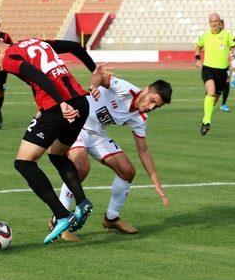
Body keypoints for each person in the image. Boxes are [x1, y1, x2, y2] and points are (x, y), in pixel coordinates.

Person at [0, 37, 102, 244]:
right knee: (57, 154)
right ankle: (81, 201)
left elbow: (34, 73)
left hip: (58, 106)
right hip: (81, 102)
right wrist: (94, 69)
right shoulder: (34, 42)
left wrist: (61, 103)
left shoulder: (9, 57)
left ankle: (62, 214)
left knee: (24, 163)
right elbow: (74, 46)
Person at [55, 73, 172, 241]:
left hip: (97, 134)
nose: (151, 107)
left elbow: (143, 151)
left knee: (127, 171)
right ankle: (60, 219)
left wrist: (156, 184)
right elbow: (100, 76)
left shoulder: (140, 117)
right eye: (152, 100)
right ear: (146, 90)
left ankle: (111, 218)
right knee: (81, 168)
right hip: (76, 124)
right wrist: (93, 86)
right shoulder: (125, 89)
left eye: (156, 106)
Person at [194, 13, 235, 135]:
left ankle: (204, 119)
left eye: (216, 21)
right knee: (211, 92)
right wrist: (197, 59)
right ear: (209, 22)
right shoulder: (205, 36)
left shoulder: (227, 35)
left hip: (222, 72)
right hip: (208, 69)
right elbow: (198, 47)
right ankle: (207, 121)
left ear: (220, 22)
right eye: (211, 21)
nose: (214, 24)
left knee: (214, 100)